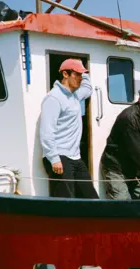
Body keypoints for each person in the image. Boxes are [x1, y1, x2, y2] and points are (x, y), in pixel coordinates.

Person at [40, 58, 99, 199]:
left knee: (92, 199)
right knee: (65, 200)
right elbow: (47, 131)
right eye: (77, 75)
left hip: (75, 157)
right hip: (59, 156)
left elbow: (88, 88)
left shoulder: (75, 96)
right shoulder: (53, 98)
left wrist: (81, 67)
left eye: (81, 75)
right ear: (65, 74)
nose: (80, 78)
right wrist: (54, 159)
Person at [100, 86, 140, 200]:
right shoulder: (128, 118)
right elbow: (137, 150)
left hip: (135, 169)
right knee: (123, 202)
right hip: (115, 167)